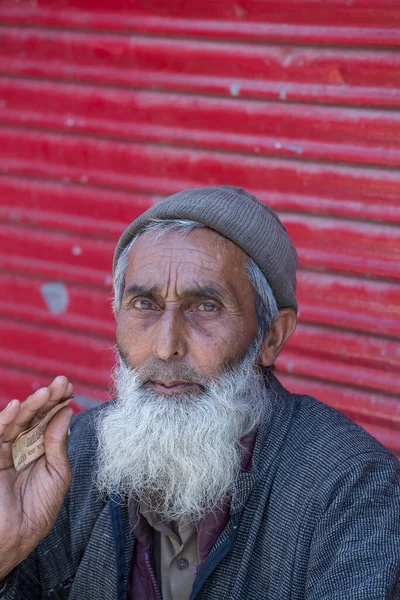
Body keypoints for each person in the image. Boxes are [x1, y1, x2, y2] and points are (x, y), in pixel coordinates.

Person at [0, 186, 399, 600]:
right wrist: (6, 552)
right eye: (144, 305)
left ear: (271, 337)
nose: (165, 345)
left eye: (205, 306)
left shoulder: (348, 488)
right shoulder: (72, 459)